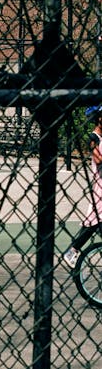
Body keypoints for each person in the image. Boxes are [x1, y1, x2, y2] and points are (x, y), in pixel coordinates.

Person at [64, 106, 102, 267]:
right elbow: (98, 159)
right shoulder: (93, 138)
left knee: (95, 221)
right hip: (100, 185)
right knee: (95, 219)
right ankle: (72, 249)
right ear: (99, 118)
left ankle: (73, 249)